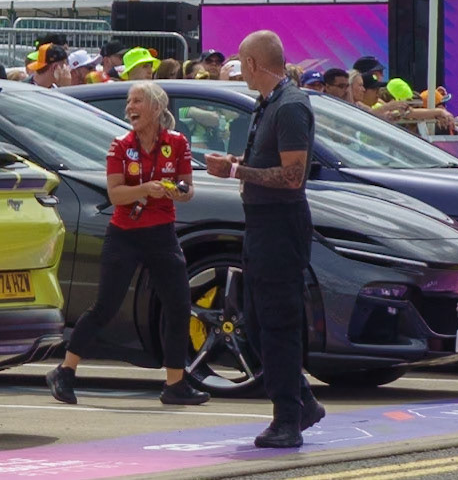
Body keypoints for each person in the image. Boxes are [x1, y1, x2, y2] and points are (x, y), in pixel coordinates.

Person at [46, 82, 208, 407]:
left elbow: (188, 188)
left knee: (178, 306)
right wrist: (146, 188)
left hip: (162, 234)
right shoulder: (121, 146)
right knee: (106, 306)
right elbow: (116, 194)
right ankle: (65, 370)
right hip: (125, 234)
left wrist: (178, 191)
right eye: (129, 101)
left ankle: (175, 383)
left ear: (157, 108)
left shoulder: (176, 143)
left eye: (137, 101)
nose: (130, 107)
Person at [203, 30, 325, 449]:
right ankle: (302, 402)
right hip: (260, 223)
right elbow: (271, 162)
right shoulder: (269, 103)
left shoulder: (290, 106)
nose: (241, 73)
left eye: (243, 64)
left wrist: (236, 171)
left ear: (254, 64)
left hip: (280, 225)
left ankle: (287, 419)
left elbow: (293, 176)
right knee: (254, 321)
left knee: (278, 323)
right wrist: (241, 162)